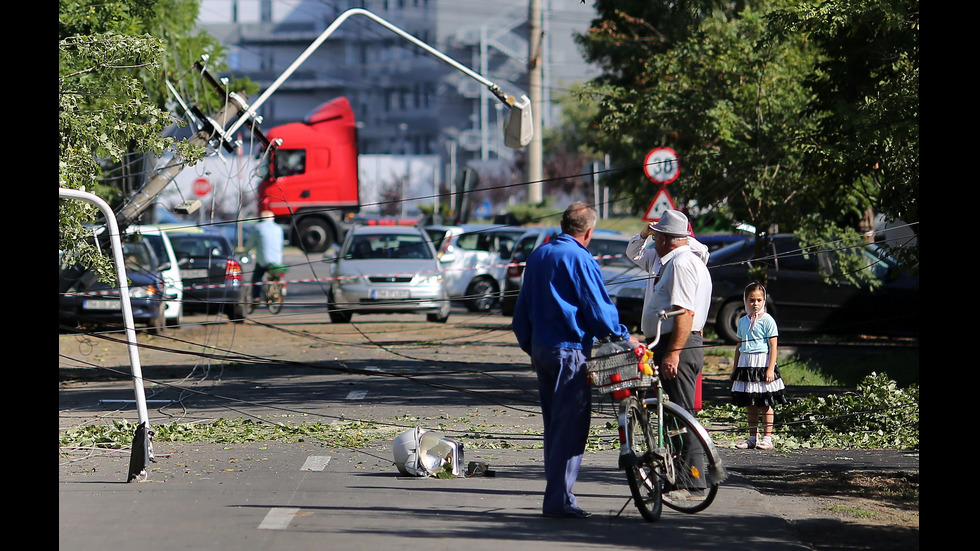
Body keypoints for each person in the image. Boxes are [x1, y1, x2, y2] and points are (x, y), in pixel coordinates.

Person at [512, 202, 638, 519]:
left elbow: (521, 310)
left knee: (554, 424)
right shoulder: (580, 258)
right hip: (570, 351)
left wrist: (531, 346)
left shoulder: (539, 255)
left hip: (542, 348)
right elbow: (598, 309)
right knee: (570, 426)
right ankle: (558, 500)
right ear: (589, 231)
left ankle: (557, 493)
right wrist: (622, 336)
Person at [624, 209, 711, 414]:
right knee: (673, 415)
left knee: (682, 414)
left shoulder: (684, 261)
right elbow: (633, 252)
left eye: (656, 237)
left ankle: (693, 448)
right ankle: (681, 447)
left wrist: (673, 353)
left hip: (678, 342)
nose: (654, 242)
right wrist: (645, 234)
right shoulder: (660, 259)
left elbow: (685, 312)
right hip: (667, 341)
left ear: (665, 239)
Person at [730, 282, 787, 450]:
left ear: (764, 301)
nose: (755, 304)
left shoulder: (768, 320)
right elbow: (739, 346)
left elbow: (774, 346)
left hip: (762, 363)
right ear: (745, 301)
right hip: (746, 364)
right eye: (751, 300)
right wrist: (735, 369)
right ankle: (752, 437)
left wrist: (770, 368)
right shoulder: (742, 322)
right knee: (751, 402)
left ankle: (767, 438)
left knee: (765, 402)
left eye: (759, 300)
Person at [244, 210, 285, 302]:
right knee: (275, 274)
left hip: (263, 260)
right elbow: (281, 243)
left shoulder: (258, 228)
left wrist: (245, 251)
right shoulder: (278, 228)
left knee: (257, 276)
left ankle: (256, 297)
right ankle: (277, 288)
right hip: (278, 260)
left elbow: (250, 243)